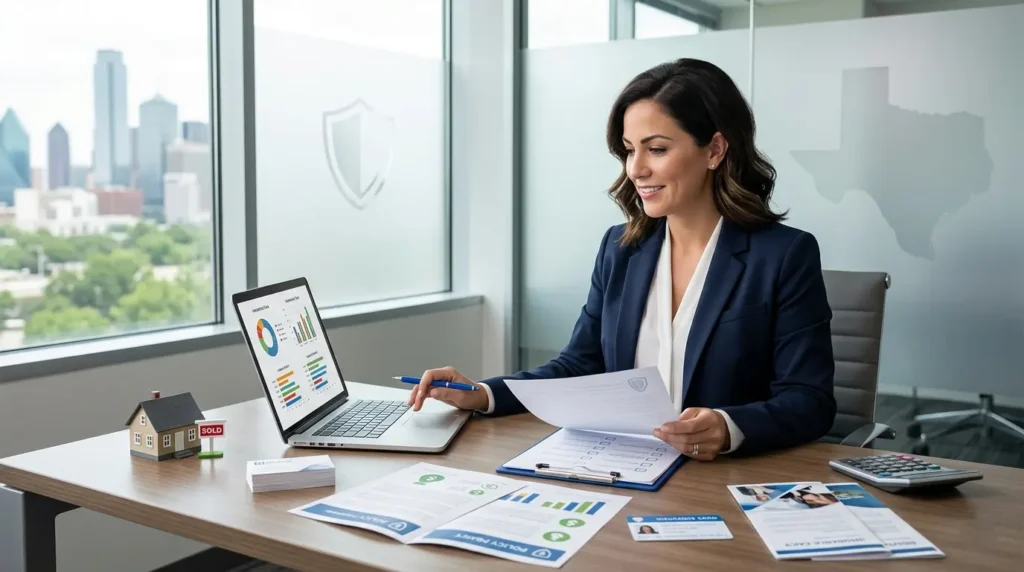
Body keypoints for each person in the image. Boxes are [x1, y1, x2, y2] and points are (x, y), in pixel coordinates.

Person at [408, 57, 836, 460]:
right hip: (621, 464)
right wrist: (484, 394)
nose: (636, 169)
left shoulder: (783, 255)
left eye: (657, 149)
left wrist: (729, 427)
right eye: (629, 150)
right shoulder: (621, 249)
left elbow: (809, 400)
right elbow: (581, 363)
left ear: (715, 150)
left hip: (721, 479)